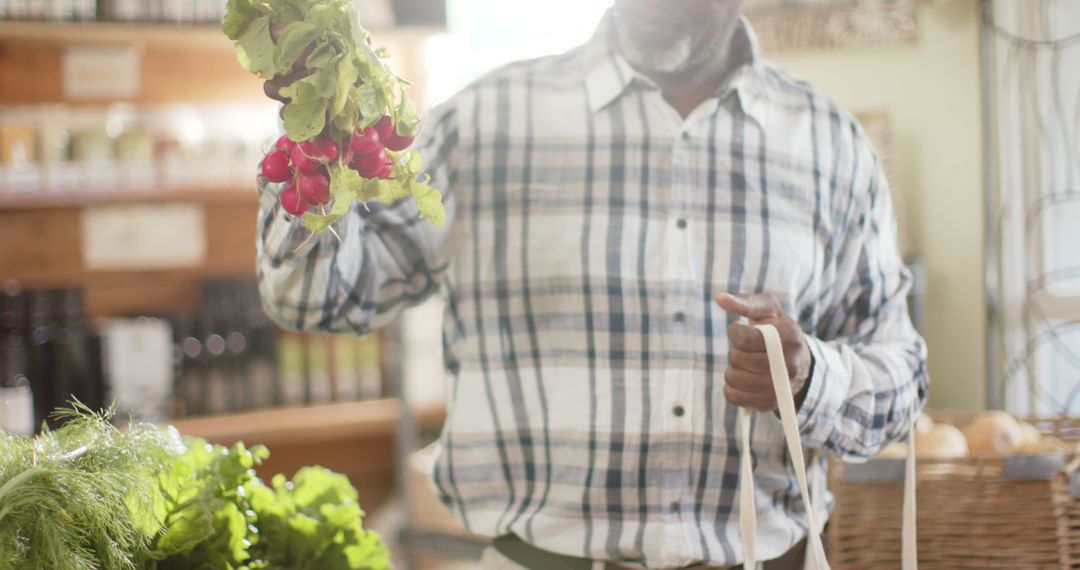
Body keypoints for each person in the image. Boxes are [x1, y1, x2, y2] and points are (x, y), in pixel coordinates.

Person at [257, 0, 929, 568]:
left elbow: (901, 378)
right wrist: (311, 144)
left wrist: (811, 375)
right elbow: (316, 298)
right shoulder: (485, 121)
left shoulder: (831, 143)